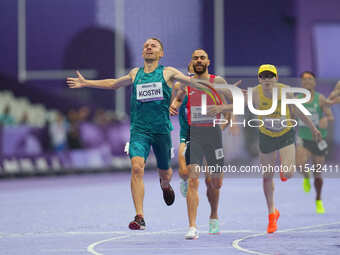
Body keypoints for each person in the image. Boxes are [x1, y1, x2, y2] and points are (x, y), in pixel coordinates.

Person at [67, 38, 207, 230]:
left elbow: (194, 83)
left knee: (166, 173)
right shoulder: (135, 73)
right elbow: (114, 83)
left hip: (162, 132)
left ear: (161, 53)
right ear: (143, 54)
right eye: (146, 46)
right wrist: (86, 83)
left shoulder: (168, 72)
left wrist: (224, 90)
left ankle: (165, 184)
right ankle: (139, 216)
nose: (149, 47)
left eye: (154, 45)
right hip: (139, 131)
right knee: (137, 167)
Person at [170, 49, 234, 239]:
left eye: (202, 58)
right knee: (193, 179)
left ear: (208, 61)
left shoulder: (218, 82)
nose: (199, 60)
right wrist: (174, 105)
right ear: (192, 62)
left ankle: (213, 216)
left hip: (213, 135)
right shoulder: (186, 83)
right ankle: (192, 226)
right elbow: (178, 99)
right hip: (194, 134)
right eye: (195, 58)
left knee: (215, 182)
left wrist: (223, 109)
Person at [250, 64, 321, 233]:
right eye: (263, 76)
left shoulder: (286, 91)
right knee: (267, 176)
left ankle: (284, 169)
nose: (267, 79)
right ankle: (272, 213)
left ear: (276, 78)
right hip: (266, 135)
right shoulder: (254, 93)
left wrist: (313, 128)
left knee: (288, 173)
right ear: (259, 79)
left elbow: (298, 110)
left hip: (285, 134)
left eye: (270, 76)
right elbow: (237, 106)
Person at [296, 71, 334, 214]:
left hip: (318, 140)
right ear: (301, 83)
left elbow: (330, 116)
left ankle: (318, 199)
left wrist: (326, 119)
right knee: (299, 164)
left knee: (318, 174)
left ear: (314, 82)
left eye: (310, 79)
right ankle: (306, 176)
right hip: (303, 138)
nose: (307, 81)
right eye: (304, 79)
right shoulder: (297, 99)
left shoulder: (320, 99)